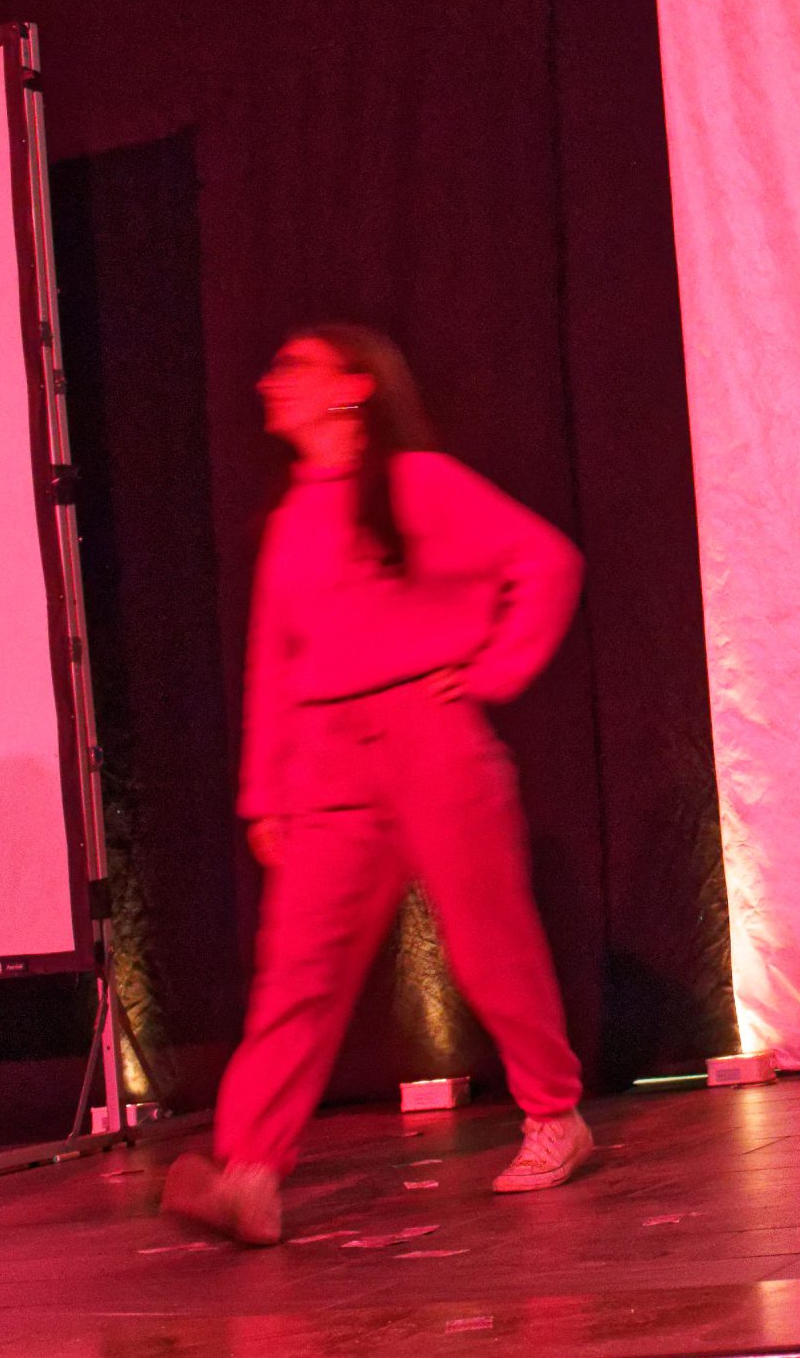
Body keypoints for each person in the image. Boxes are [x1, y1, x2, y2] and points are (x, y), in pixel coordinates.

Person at [163, 325, 592, 1246]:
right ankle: (249, 1170)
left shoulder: (418, 483)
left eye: (293, 367)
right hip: (327, 761)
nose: (269, 381)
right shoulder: (290, 519)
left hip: (429, 739)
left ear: (353, 387)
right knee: (296, 973)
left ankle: (554, 1111)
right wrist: (264, 793)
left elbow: (547, 561)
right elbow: (274, 665)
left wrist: (495, 669)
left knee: (490, 944)